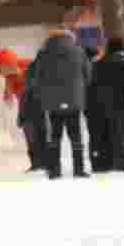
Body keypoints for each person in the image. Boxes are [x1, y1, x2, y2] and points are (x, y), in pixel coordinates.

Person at [29, 25, 92, 179]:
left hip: (52, 103)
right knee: (76, 136)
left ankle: (54, 170)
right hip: (74, 100)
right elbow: (88, 75)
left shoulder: (43, 54)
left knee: (54, 137)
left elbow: (36, 78)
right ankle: (79, 169)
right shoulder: (79, 52)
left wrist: (44, 95)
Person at [90, 37, 124, 172]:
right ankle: (121, 162)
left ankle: (106, 162)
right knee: (122, 135)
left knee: (107, 133)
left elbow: (93, 85)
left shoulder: (98, 64)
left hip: (103, 104)